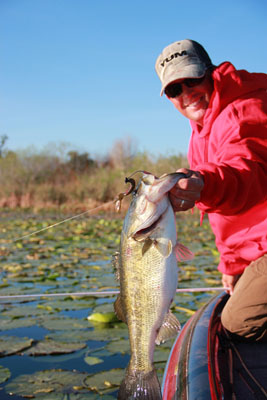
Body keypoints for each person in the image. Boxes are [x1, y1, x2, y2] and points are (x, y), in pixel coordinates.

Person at [155, 39, 267, 342]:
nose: (186, 93)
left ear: (212, 72)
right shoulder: (202, 130)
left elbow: (248, 175)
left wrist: (205, 183)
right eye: (175, 89)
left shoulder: (242, 110)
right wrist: (231, 264)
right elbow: (229, 219)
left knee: (238, 321)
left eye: (192, 80)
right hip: (258, 247)